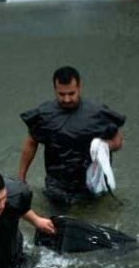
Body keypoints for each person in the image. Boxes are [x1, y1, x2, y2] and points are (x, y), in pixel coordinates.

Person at [18, 66, 127, 207]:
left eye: (71, 93)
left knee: (95, 219)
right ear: (54, 89)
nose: (67, 99)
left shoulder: (97, 113)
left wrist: (104, 146)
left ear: (79, 86)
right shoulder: (44, 115)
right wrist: (21, 177)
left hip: (90, 183)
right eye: (61, 94)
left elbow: (117, 141)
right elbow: (31, 143)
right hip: (57, 184)